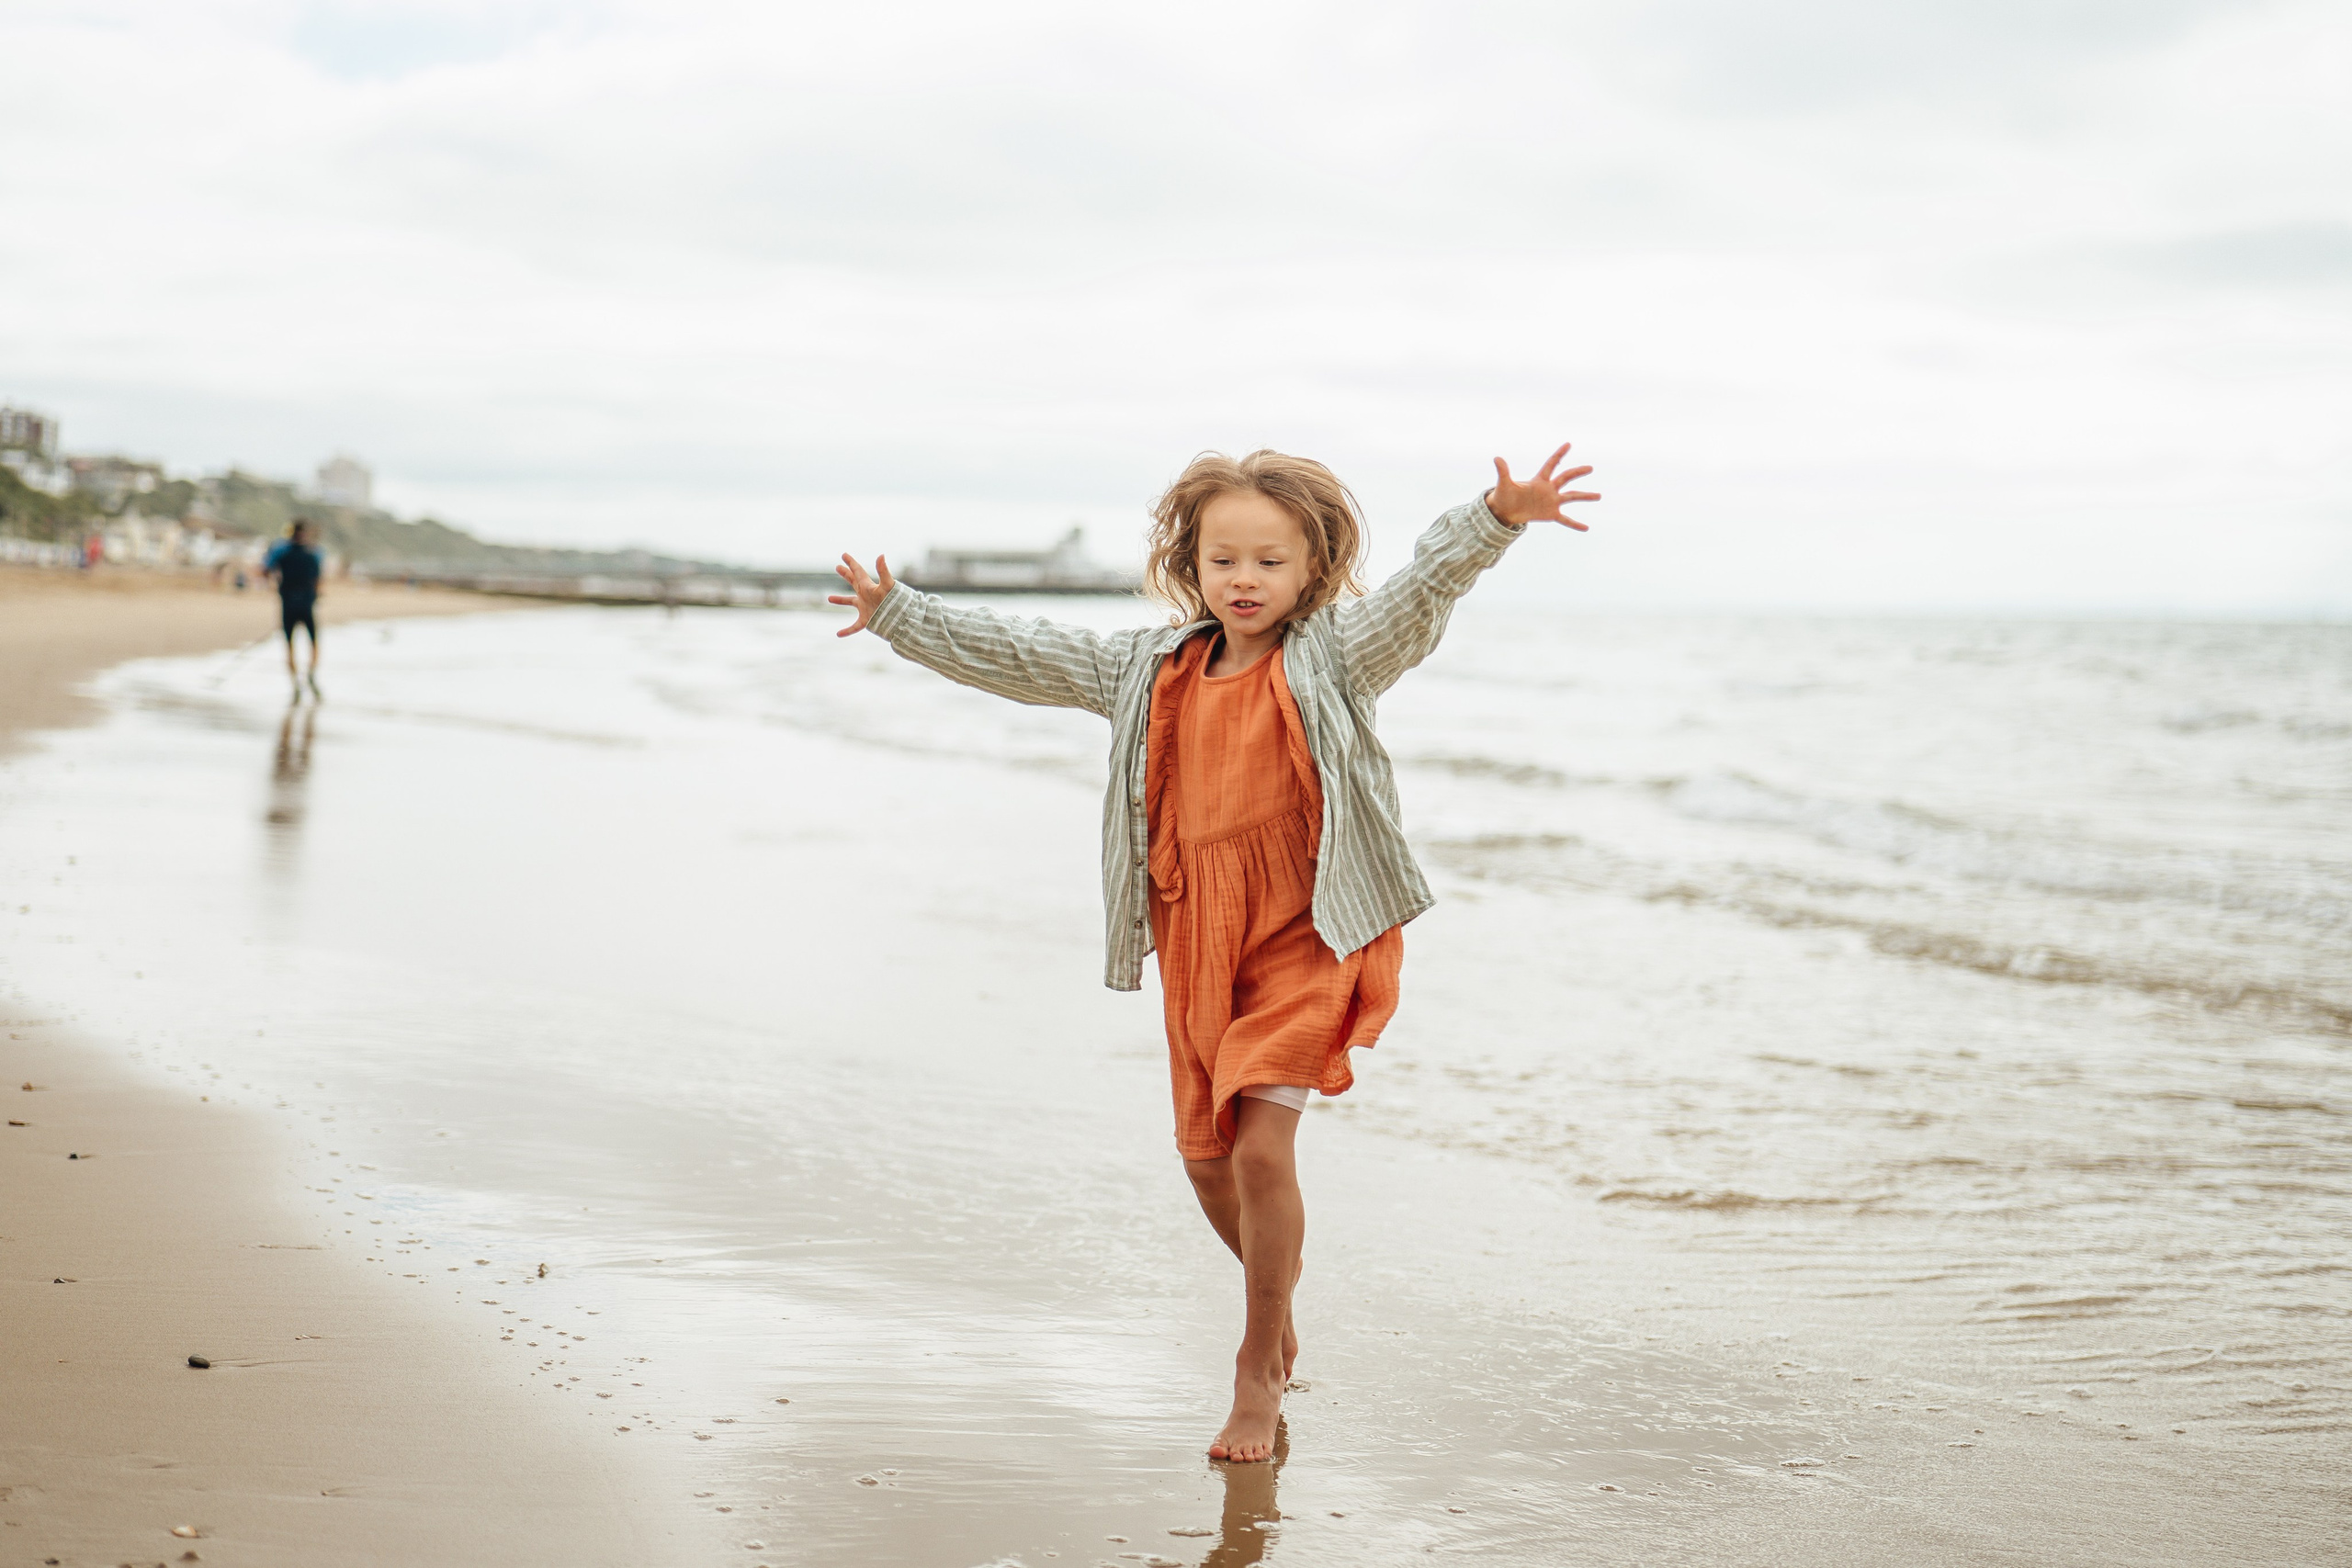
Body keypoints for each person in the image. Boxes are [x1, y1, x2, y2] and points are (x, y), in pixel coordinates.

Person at [831, 444, 1600, 1464]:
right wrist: (901, 615)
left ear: (1312, 572)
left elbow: (1424, 590)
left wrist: (1493, 521)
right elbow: (1024, 653)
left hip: (1310, 930)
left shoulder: (1335, 656)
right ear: (1188, 564)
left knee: (1260, 1147)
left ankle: (1255, 1369)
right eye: (1223, 559)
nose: (1245, 580)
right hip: (1201, 933)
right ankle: (1273, 1307)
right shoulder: (1144, 669)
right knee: (1204, 1164)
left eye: (1271, 563)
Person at [263, 519, 325, 697]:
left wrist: (273, 585)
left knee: (289, 646)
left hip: (288, 604)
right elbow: (318, 580)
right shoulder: (314, 553)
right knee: (313, 644)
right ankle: (311, 673)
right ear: (304, 533)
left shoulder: (281, 551)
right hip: (307, 605)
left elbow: (265, 569)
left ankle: (295, 685)